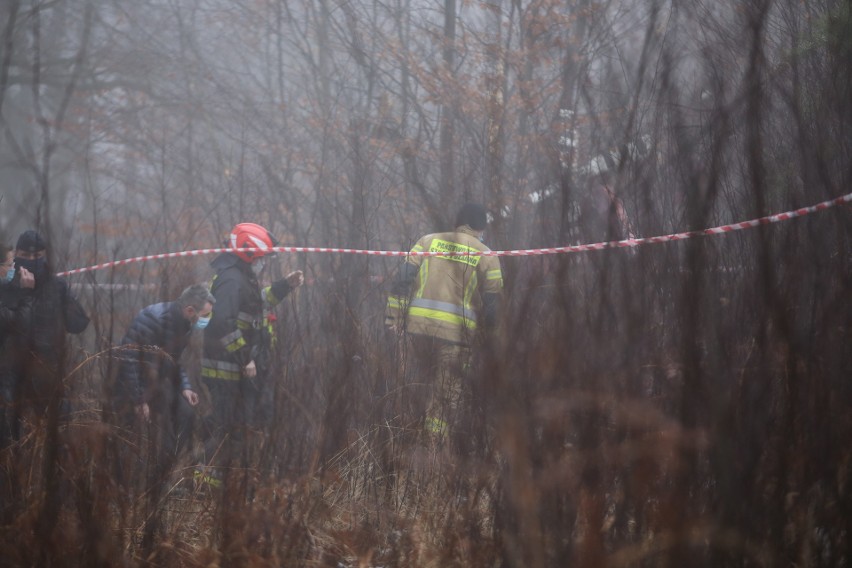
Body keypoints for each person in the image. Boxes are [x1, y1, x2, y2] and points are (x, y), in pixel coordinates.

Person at [385, 203, 504, 448]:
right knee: (444, 396)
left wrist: (392, 319)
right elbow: (493, 304)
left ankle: (402, 442)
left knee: (414, 386)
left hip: (417, 330)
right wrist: (491, 339)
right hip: (457, 337)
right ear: (480, 227)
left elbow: (401, 281)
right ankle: (433, 449)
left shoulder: (426, 241)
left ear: (457, 223)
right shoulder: (486, 254)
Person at [198, 222, 303, 486]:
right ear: (248, 254)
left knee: (235, 424)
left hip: (232, 365)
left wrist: (283, 287)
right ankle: (204, 480)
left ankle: (220, 478)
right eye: (261, 259)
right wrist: (245, 358)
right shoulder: (232, 280)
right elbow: (222, 323)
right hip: (225, 366)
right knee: (225, 425)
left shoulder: (241, 276)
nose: (264, 264)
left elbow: (254, 305)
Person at [0, 230, 89, 446]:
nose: (31, 261)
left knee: (61, 427)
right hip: (12, 369)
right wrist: (22, 293)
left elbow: (78, 323)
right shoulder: (6, 285)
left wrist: (65, 299)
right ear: (17, 254)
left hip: (46, 365)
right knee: (10, 433)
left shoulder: (55, 286)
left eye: (37, 256)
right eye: (25, 255)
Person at [113, 284, 215, 471]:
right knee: (128, 436)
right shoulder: (153, 319)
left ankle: (163, 473)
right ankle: (125, 482)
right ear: (190, 310)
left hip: (158, 385)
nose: (207, 319)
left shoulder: (186, 325)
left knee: (186, 413)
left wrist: (185, 386)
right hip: (132, 385)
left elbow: (173, 361)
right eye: (205, 314)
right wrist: (138, 400)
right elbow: (128, 359)